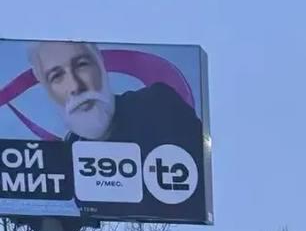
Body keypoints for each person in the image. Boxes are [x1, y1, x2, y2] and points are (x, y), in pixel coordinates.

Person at [29, 40, 204, 158]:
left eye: (82, 65)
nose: (75, 86)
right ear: (47, 90)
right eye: (57, 76)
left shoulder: (158, 105)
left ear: (100, 63)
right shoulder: (70, 151)